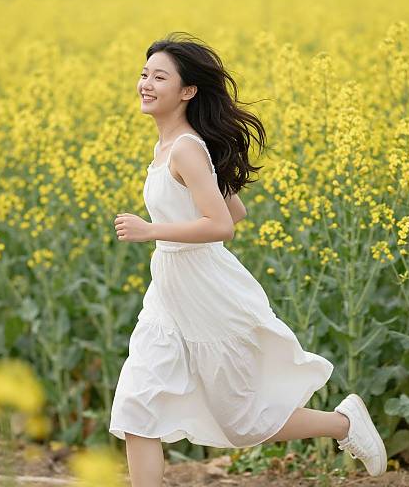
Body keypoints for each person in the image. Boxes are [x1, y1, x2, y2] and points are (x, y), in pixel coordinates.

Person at [109, 31, 387, 486]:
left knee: (240, 419)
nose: (146, 83)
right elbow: (233, 207)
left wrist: (151, 230)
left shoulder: (184, 148)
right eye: (144, 74)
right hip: (169, 292)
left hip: (203, 291)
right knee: (136, 406)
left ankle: (345, 423)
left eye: (159, 76)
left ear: (187, 91)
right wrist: (209, 185)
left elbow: (223, 226)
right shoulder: (173, 147)